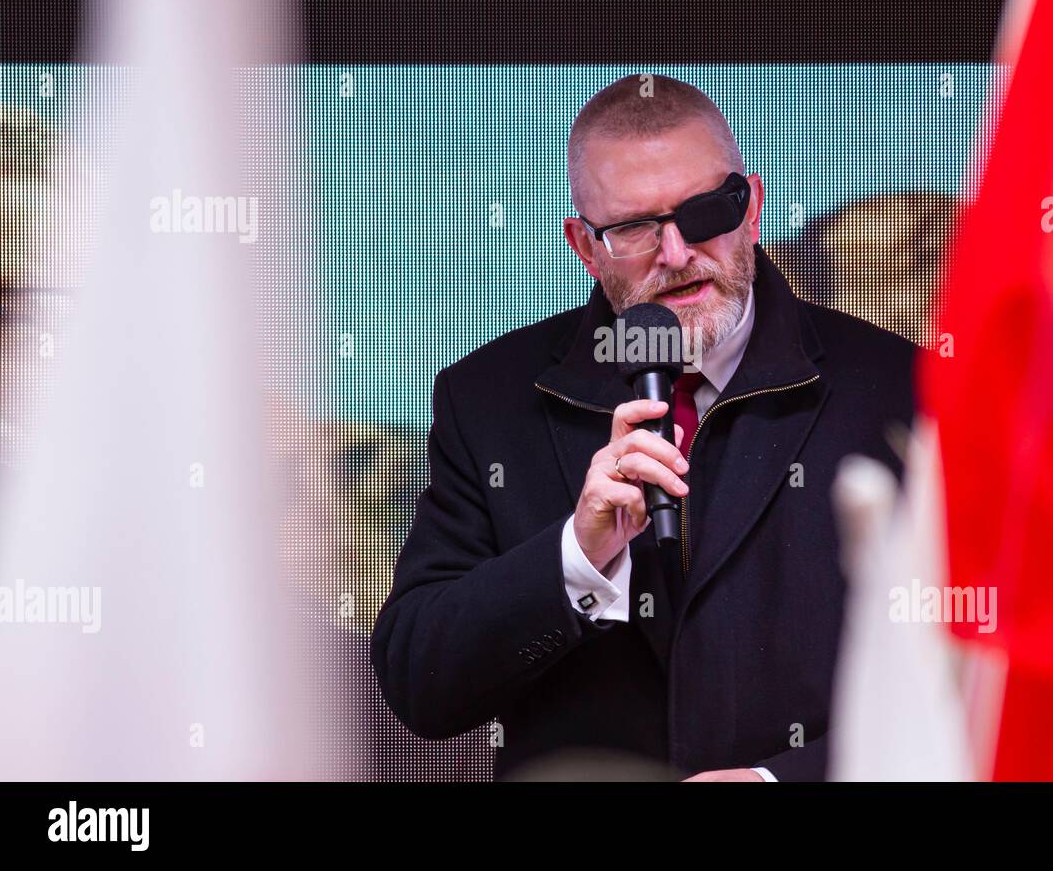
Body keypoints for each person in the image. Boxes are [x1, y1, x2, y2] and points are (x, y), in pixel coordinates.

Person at [371, 73, 916, 780]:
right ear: (584, 246)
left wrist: (779, 782)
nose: (677, 253)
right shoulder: (489, 401)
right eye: (633, 228)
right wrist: (574, 556)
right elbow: (420, 683)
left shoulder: (903, 390)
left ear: (750, 207)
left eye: (704, 212)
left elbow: (975, 675)